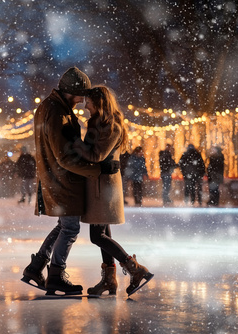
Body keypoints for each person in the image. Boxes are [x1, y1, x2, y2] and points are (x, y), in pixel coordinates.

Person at [21, 67, 119, 295]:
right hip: (63, 180)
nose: (84, 101)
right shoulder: (57, 112)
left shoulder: (55, 108)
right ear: (72, 92)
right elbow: (64, 156)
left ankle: (36, 267)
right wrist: (96, 169)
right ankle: (55, 275)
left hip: (58, 178)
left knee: (63, 226)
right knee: (70, 228)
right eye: (81, 95)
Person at [70, 85, 154, 296]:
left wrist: (75, 144)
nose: (84, 105)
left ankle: (135, 268)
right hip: (98, 184)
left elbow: (96, 155)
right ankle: (109, 280)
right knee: (102, 233)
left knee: (97, 236)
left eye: (88, 101)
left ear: (99, 102)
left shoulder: (110, 126)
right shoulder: (98, 124)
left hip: (103, 187)